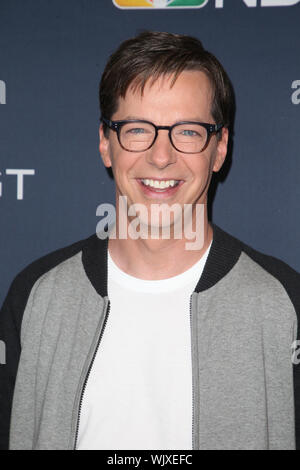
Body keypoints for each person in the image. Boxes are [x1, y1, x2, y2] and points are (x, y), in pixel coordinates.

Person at [0, 31, 299, 451]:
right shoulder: (35, 297)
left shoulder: (285, 304)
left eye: (188, 131)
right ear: (106, 144)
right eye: (138, 129)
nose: (161, 156)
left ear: (219, 149)